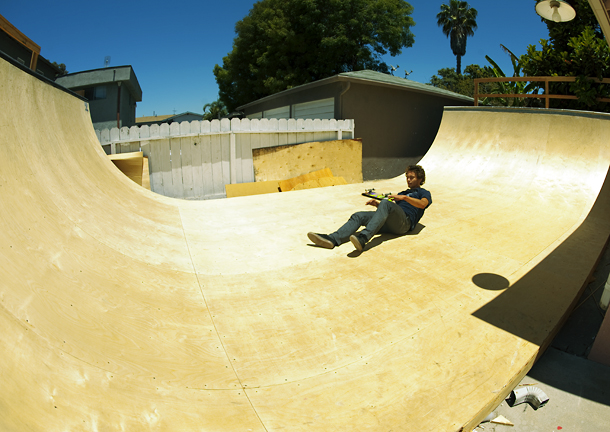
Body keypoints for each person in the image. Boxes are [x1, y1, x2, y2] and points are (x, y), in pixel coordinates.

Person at [308, 164, 431, 252]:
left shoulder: (423, 192)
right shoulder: (403, 192)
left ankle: (363, 238)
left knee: (386, 202)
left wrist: (404, 198)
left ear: (420, 179)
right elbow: (389, 210)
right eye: (407, 177)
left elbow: (422, 204)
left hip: (405, 223)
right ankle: (332, 239)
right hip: (393, 222)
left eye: (412, 178)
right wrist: (378, 205)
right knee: (359, 216)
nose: (408, 180)